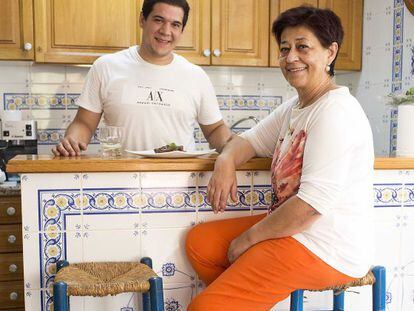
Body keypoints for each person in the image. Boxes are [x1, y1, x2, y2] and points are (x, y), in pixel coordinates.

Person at [185, 6, 374, 311]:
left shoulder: (336, 112)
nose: (291, 57)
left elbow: (310, 207)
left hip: (327, 245)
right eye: (285, 48)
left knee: (204, 307)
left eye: (303, 47)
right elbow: (244, 141)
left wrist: (248, 240)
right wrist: (225, 162)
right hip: (300, 231)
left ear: (330, 52)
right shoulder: (295, 108)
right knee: (201, 243)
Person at [52, 0, 232, 156]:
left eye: (175, 24)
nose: (165, 31)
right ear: (142, 20)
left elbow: (215, 130)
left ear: (182, 30)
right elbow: (84, 124)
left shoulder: (196, 76)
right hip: (120, 181)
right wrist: (72, 142)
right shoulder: (106, 66)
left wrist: (235, 146)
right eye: (158, 20)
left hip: (178, 183)